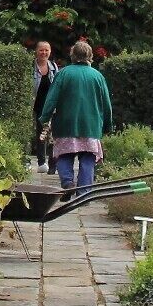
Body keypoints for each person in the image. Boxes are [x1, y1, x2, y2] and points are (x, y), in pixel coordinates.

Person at [37, 40, 113, 192]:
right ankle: (83, 192)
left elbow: (51, 99)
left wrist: (44, 117)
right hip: (91, 126)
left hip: (66, 124)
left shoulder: (63, 73)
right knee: (88, 158)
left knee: (64, 154)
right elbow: (106, 104)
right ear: (90, 56)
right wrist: (107, 125)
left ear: (72, 55)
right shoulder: (98, 76)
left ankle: (67, 182)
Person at [29, 40, 56, 172]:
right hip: (35, 104)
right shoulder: (30, 67)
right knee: (36, 132)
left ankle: (49, 163)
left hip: (49, 106)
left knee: (49, 133)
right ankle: (36, 162)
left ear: (50, 52)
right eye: (41, 50)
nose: (44, 52)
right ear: (36, 51)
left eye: (47, 50)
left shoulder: (54, 67)